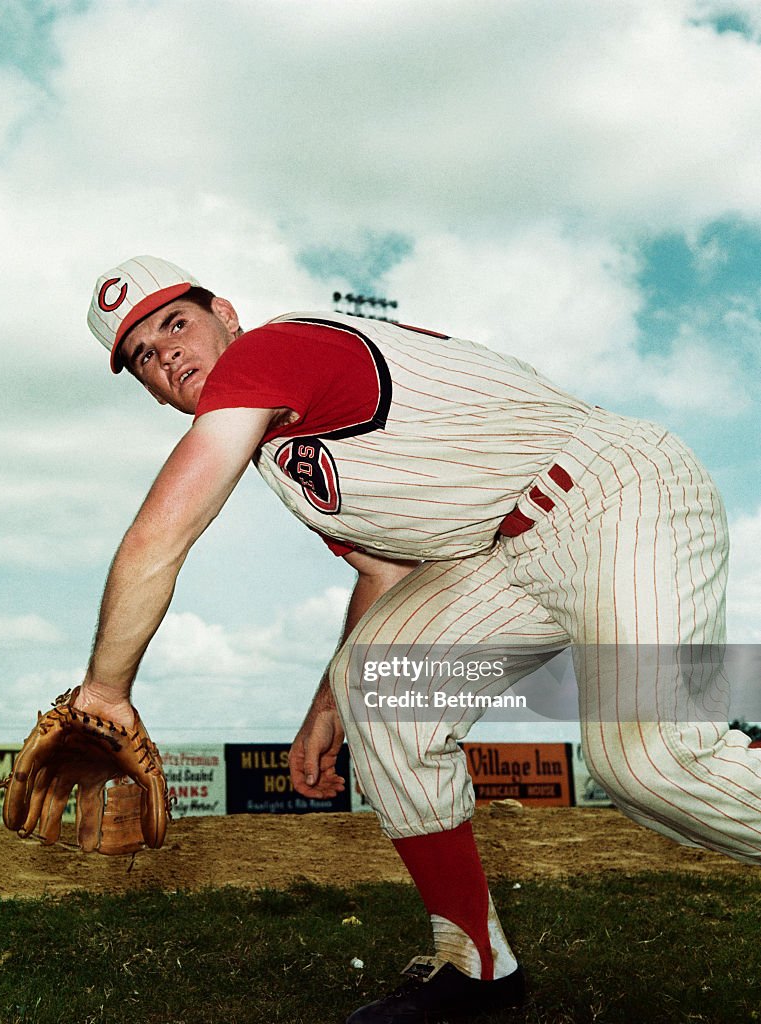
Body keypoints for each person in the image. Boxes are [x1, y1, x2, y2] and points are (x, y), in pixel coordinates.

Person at [79, 254, 761, 1023]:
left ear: (226, 315)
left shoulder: (271, 352)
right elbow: (386, 573)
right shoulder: (279, 453)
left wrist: (104, 692)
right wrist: (328, 702)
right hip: (500, 555)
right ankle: (476, 971)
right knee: (379, 690)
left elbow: (158, 539)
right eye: (141, 354)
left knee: (652, 762)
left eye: (175, 323)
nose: (165, 353)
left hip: (611, 494)